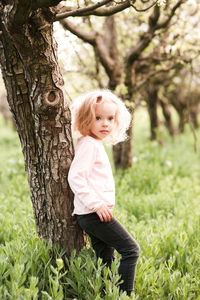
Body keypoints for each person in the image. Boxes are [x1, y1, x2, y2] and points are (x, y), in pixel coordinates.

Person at [68, 89, 140, 297]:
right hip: (93, 214)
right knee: (131, 250)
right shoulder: (89, 145)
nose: (105, 123)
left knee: (105, 258)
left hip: (92, 214)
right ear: (85, 119)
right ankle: (124, 295)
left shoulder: (91, 143)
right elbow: (76, 177)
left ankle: (106, 292)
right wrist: (96, 204)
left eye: (110, 118)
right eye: (98, 118)